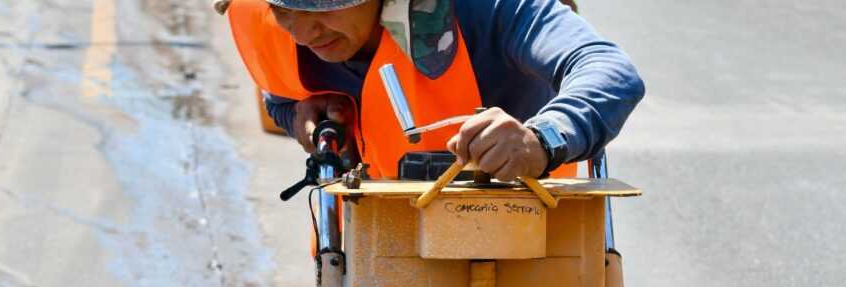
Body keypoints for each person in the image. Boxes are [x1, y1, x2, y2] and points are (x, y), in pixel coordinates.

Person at [223, 0, 644, 181]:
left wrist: (543, 138)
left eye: (323, 5)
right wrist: (298, 115)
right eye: (283, 9)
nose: (301, 32)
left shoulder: (486, 8)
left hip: (529, 245)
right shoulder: (270, 24)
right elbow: (278, 97)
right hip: (372, 260)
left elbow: (609, 70)